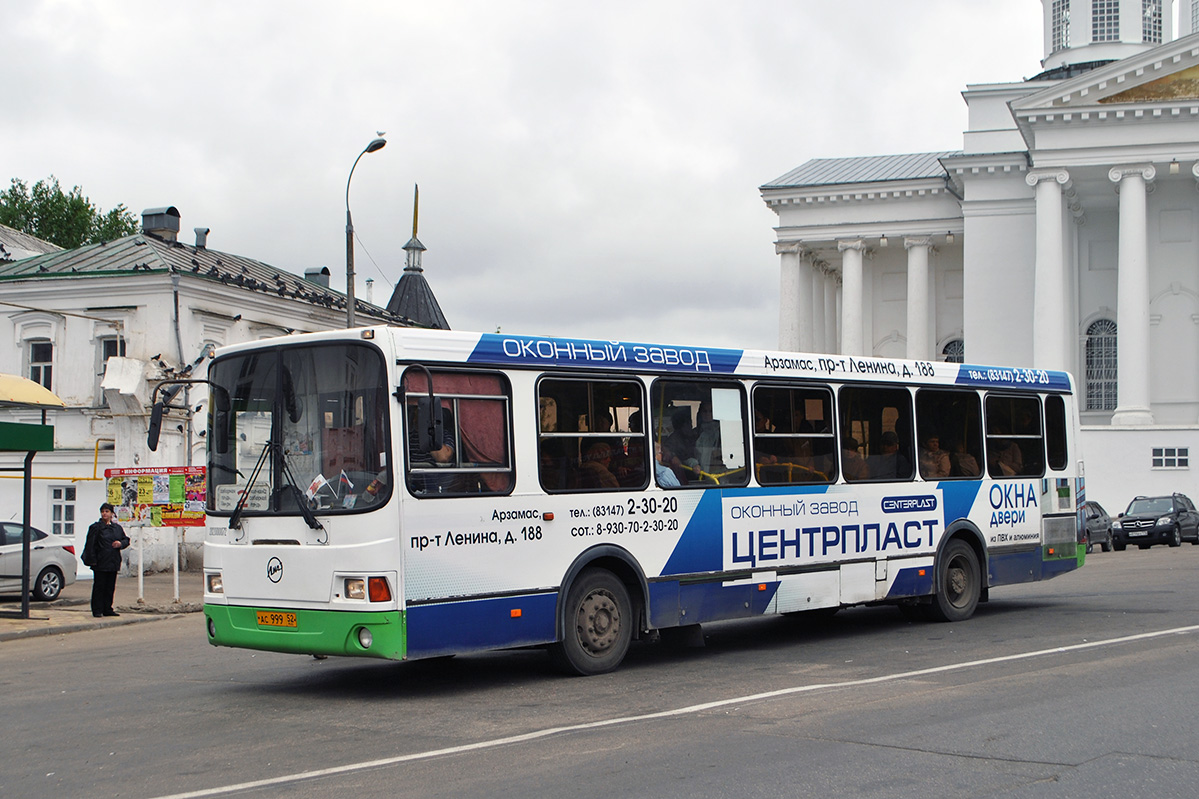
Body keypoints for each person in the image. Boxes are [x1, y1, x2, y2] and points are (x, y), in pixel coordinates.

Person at [83, 502, 130, 618]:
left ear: (112, 514)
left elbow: (126, 540)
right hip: (100, 561)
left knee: (110, 586)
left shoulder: (117, 528)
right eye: (103, 511)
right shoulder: (96, 527)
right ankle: (97, 609)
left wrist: (120, 543)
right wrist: (92, 560)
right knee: (99, 586)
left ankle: (108, 608)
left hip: (113, 561)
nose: (104, 514)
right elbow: (90, 545)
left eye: (107, 511)